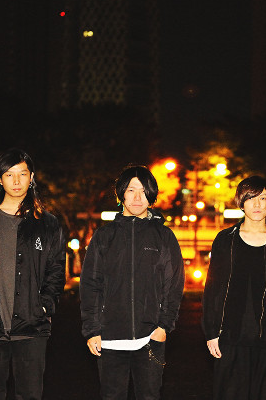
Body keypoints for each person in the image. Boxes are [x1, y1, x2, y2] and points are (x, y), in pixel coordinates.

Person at [0, 148, 66, 400]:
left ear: (32, 178)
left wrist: (44, 306)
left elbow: (56, 270)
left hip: (32, 327)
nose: (16, 180)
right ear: (0, 179)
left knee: (30, 394)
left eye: (22, 174)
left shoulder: (47, 224)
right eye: (9, 174)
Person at [80, 165, 184, 400]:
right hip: (109, 340)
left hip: (150, 339)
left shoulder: (164, 236)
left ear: (152, 196)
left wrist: (163, 327)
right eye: (131, 190)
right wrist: (92, 330)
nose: (138, 197)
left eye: (144, 191)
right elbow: (90, 285)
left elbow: (174, 284)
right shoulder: (104, 236)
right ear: (121, 194)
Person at [201, 176, 266, 400]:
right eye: (251, 198)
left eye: (262, 198)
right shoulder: (225, 239)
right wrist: (211, 332)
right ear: (241, 202)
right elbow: (212, 289)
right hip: (230, 337)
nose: (257, 204)